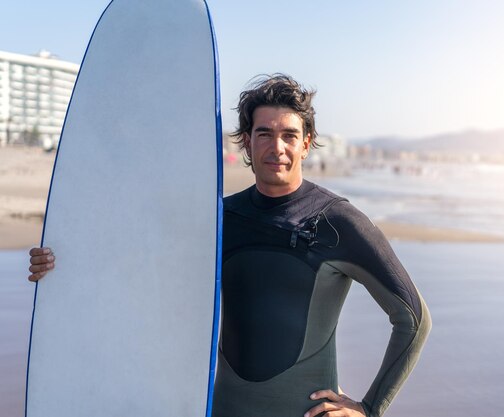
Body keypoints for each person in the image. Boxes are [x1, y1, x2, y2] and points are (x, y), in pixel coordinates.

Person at [29, 74, 431, 417]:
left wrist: (369, 407)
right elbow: (140, 270)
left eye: (290, 135)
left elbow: (413, 318)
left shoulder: (337, 222)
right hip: (224, 408)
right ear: (246, 144)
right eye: (265, 134)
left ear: (307, 144)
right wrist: (59, 264)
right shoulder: (221, 218)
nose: (278, 147)